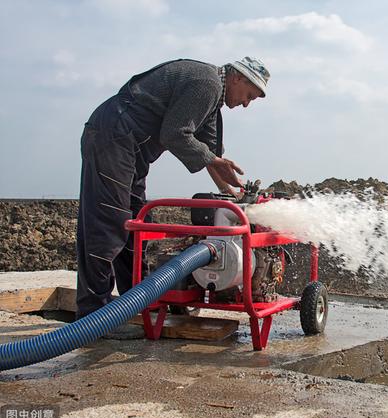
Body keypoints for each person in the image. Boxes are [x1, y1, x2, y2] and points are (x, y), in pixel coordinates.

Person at [75, 57, 270, 335]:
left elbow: (210, 156)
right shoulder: (208, 84)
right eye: (249, 95)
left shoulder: (212, 103)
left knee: (138, 227)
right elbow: (174, 134)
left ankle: (135, 303)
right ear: (237, 77)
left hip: (132, 149)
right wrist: (214, 163)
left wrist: (233, 192)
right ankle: (92, 315)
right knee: (109, 223)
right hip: (114, 136)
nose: (246, 103)